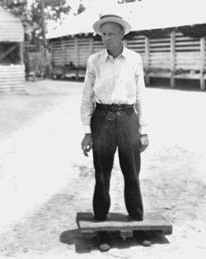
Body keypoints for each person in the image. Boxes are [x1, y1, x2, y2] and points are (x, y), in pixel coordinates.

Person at [80, 14, 149, 251]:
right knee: (102, 174)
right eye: (103, 34)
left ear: (122, 35)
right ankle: (101, 228)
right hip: (102, 118)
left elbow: (141, 94)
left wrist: (144, 130)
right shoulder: (94, 61)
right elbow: (86, 96)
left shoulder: (134, 60)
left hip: (128, 117)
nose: (106, 38)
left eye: (110, 34)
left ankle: (138, 224)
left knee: (132, 172)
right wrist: (87, 131)